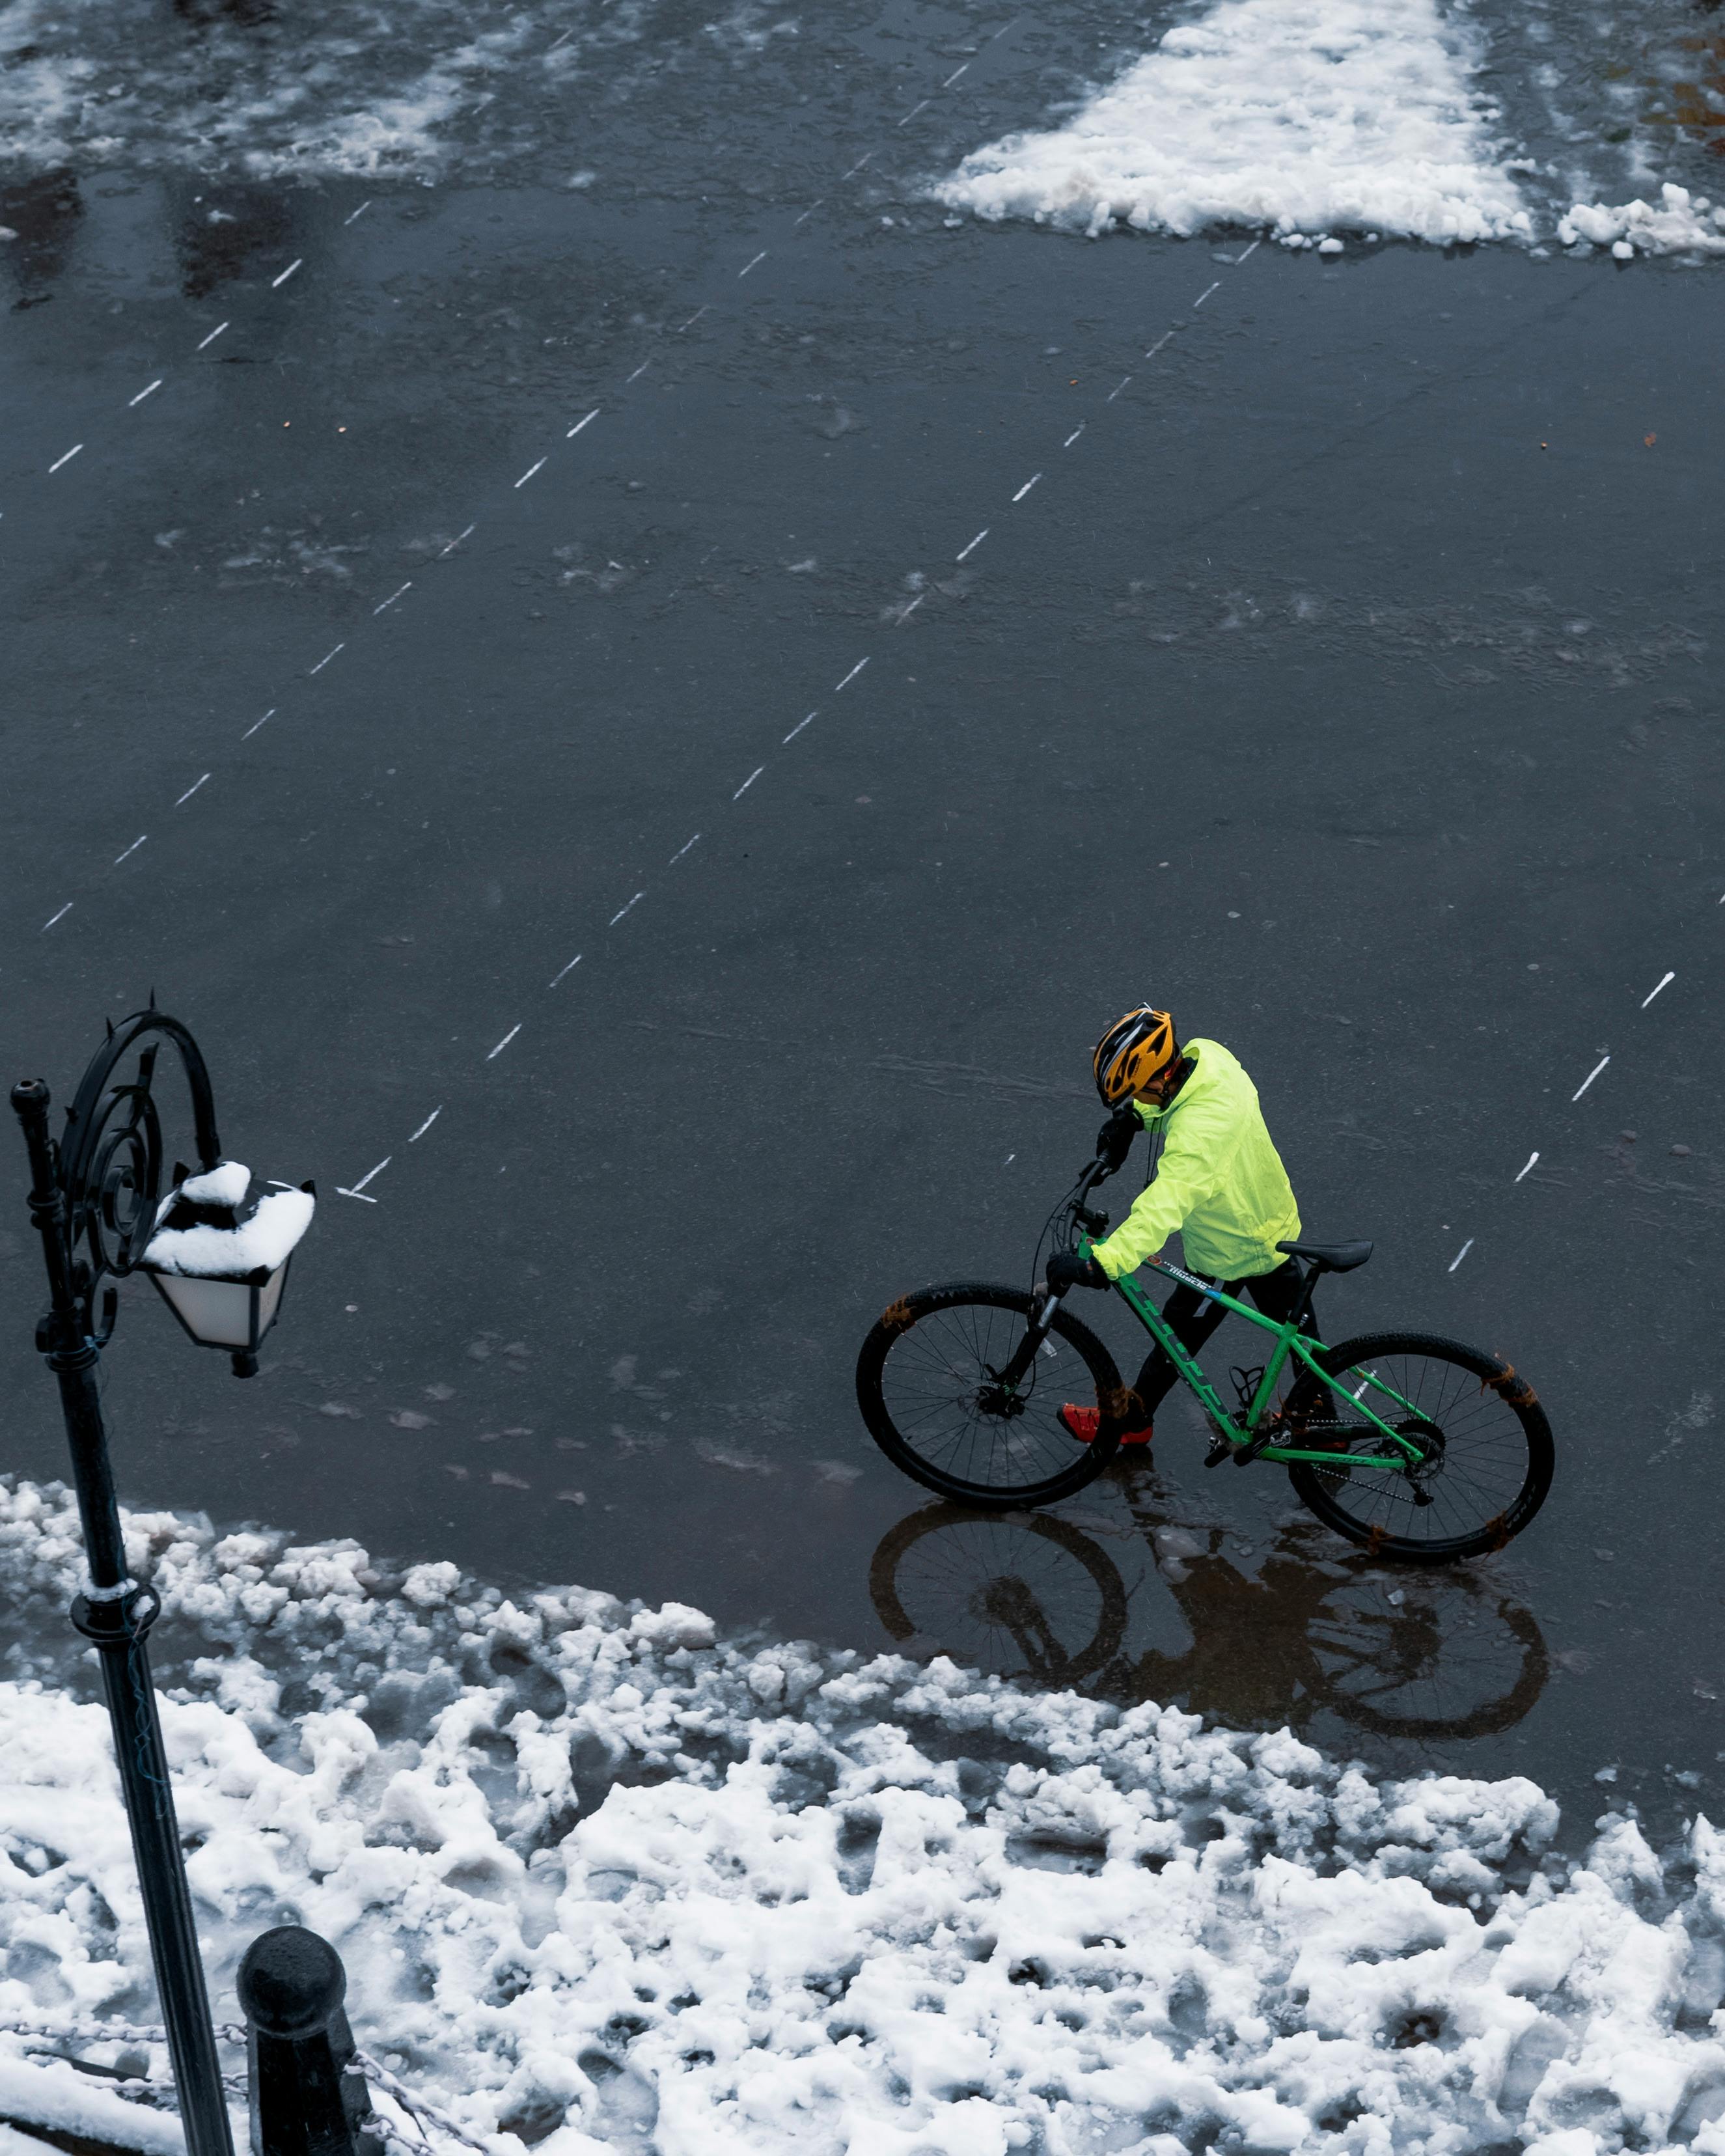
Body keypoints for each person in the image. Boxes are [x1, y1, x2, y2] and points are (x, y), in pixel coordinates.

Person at [1045, 1006, 1304, 1447]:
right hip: (1256, 1220)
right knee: (1274, 1333)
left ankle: (1134, 1420)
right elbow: (1184, 1102)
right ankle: (1319, 1416)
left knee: (1183, 1330)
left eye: (1138, 1094)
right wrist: (1134, 1120)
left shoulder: (1200, 1136)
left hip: (1241, 1247)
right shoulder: (1208, 1056)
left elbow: (1165, 1204)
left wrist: (1106, 1261)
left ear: (1161, 1078)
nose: (1138, 1100)